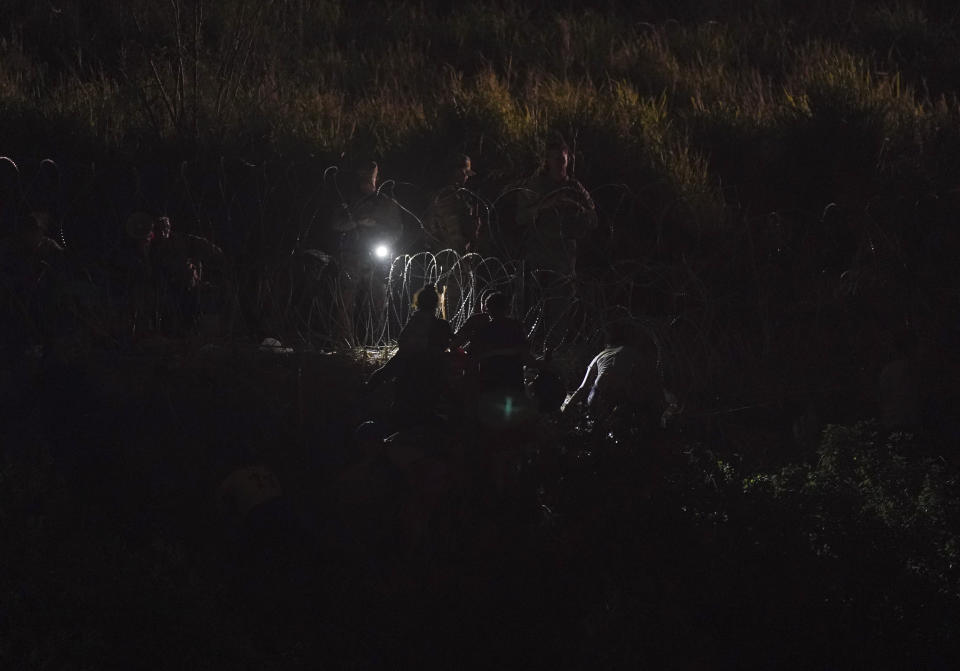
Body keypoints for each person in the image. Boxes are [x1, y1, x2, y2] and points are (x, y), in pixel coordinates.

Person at [519, 136, 597, 350]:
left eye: (561, 159)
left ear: (568, 160)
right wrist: (546, 204)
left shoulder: (575, 188)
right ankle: (531, 354)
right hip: (538, 257)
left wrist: (577, 209)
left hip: (564, 259)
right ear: (547, 161)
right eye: (554, 159)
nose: (558, 164)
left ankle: (553, 357)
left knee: (560, 312)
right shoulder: (536, 185)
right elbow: (520, 216)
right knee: (534, 310)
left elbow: (593, 219)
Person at [329, 161, 403, 344]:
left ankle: (377, 340)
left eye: (369, 179)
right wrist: (356, 222)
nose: (366, 184)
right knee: (346, 301)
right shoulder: (349, 202)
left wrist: (379, 231)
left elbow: (397, 230)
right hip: (352, 256)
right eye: (362, 179)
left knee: (379, 300)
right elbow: (335, 224)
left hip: (376, 259)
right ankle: (344, 341)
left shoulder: (387, 203)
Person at [367, 284, 454, 426]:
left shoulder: (412, 329)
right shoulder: (441, 326)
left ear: (418, 303)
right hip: (429, 390)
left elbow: (384, 371)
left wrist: (367, 389)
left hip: (406, 393)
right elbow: (451, 343)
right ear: (437, 304)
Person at [561, 322, 658, 424]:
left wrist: (567, 408)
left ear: (606, 344)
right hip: (618, 396)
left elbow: (583, 388)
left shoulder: (599, 356)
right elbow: (646, 375)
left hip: (598, 395)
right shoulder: (630, 352)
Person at [151, 215, 224, 335]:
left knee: (188, 317)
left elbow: (206, 247)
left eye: (166, 227)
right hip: (165, 288)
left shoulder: (181, 241)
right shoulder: (151, 246)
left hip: (186, 286)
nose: (163, 232)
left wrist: (217, 255)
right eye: (160, 228)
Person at [452, 291, 531, 394]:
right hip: (513, 382)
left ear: (486, 308)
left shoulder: (482, 328)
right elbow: (525, 356)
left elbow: (460, 347)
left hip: (489, 383)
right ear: (507, 308)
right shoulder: (516, 326)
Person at [422, 154, 482, 255]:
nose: (466, 177)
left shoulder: (462, 195)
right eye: (465, 172)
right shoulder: (445, 195)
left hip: (452, 250)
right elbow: (448, 224)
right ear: (457, 171)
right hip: (450, 250)